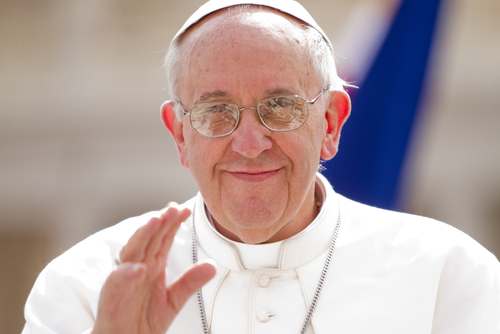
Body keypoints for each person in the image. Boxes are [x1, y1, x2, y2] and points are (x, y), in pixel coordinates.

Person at [23, 1, 500, 333]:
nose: (249, 144)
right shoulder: (84, 286)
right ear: (180, 134)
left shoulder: (449, 275)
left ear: (331, 123)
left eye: (280, 106)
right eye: (215, 111)